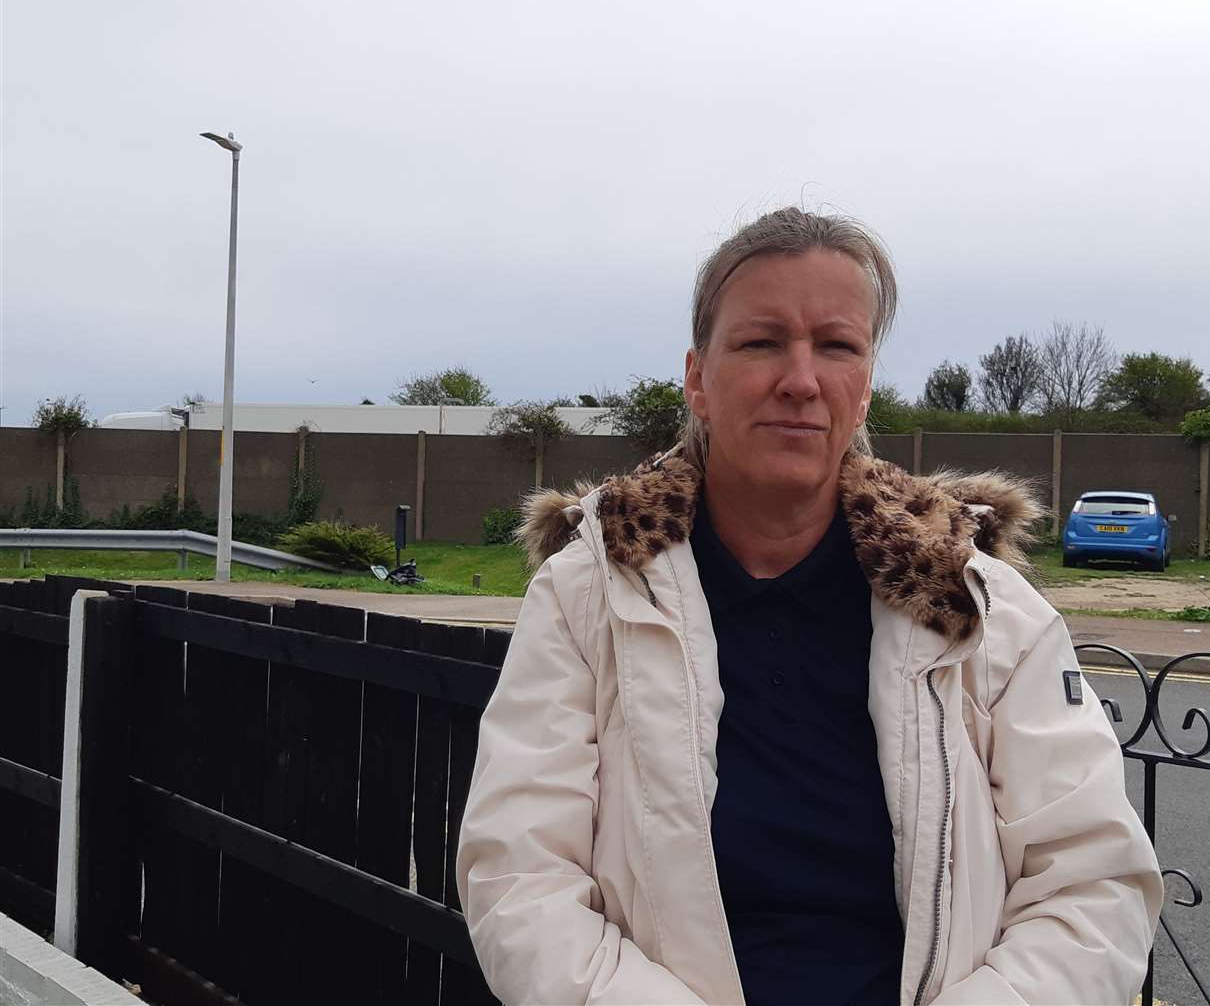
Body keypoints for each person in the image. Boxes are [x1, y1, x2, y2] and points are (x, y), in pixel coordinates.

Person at [456, 207, 1163, 1005]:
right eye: (761, 342)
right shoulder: (591, 593)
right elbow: (520, 874)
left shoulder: (983, 609)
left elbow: (1092, 884)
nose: (801, 379)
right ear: (697, 379)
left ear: (863, 391)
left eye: (837, 346)